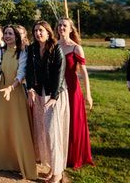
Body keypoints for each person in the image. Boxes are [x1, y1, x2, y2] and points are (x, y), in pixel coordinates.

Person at [0, 25, 37, 180]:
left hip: (15, 93)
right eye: (6, 34)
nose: (8, 36)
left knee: (18, 127)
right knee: (3, 126)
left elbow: (22, 72)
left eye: (11, 34)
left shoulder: (23, 52)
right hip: (2, 92)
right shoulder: (0, 51)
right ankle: (3, 162)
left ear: (16, 36)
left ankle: (20, 164)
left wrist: (12, 87)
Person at [26, 20, 70, 183]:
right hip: (38, 94)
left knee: (53, 133)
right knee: (43, 133)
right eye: (36, 30)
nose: (38, 33)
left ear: (48, 32)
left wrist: (54, 98)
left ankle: (58, 173)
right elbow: (29, 71)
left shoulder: (56, 48)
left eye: (41, 30)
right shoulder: (32, 49)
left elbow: (60, 74)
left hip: (54, 95)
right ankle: (52, 167)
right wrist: (30, 89)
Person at [57, 17, 94, 168]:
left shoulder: (76, 48)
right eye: (59, 25)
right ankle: (59, 153)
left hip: (72, 89)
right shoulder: (53, 45)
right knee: (59, 121)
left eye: (64, 25)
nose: (61, 28)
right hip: (57, 89)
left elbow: (84, 73)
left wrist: (88, 94)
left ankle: (73, 156)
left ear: (71, 29)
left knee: (73, 121)